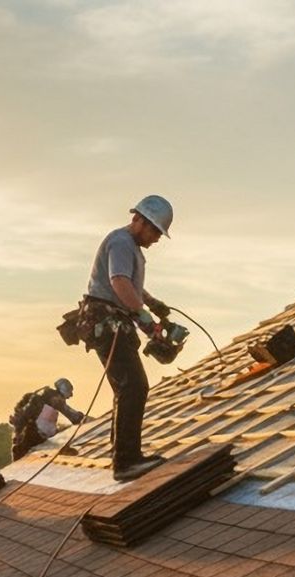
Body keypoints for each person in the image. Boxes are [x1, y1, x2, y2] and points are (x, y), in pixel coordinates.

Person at [80, 195, 176, 481]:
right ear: (141, 221)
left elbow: (131, 283)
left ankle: (123, 455)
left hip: (111, 321)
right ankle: (126, 462)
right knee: (134, 385)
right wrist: (147, 322)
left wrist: (152, 302)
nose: (157, 239)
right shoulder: (122, 242)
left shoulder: (128, 245)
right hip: (106, 321)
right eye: (155, 231)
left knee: (126, 387)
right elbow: (119, 282)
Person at [10, 378, 86, 460]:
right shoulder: (48, 399)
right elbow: (69, 412)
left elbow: (70, 413)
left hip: (35, 432)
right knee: (22, 448)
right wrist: (80, 418)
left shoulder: (46, 398)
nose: (67, 398)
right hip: (34, 433)